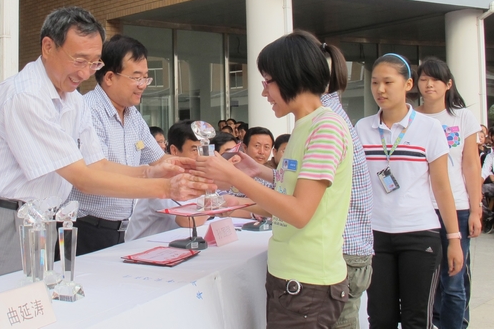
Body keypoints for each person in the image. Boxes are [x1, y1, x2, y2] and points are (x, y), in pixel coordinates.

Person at [0, 7, 214, 287]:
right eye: (79, 60)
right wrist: (165, 189)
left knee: (33, 309)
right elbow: (83, 178)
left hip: (41, 222)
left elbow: (97, 164)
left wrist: (154, 172)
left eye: (93, 63)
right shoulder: (26, 96)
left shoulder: (73, 100)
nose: (86, 72)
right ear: (48, 47)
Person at [196, 30, 353, 328]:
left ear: (292, 76)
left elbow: (299, 212)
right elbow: (289, 194)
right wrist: (255, 179)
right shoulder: (305, 126)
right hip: (292, 279)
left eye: (267, 81)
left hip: (307, 284)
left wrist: (234, 177)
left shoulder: (326, 129)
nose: (264, 92)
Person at [355, 53, 463, 328]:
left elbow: (441, 186)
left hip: (419, 234)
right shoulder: (362, 128)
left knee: (417, 319)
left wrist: (454, 239)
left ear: (408, 84)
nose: (380, 89)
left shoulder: (429, 128)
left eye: (388, 82)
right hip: (375, 236)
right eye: (375, 82)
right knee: (380, 318)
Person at [62, 34, 177, 255]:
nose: (143, 85)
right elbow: (96, 170)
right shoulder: (87, 111)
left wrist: (198, 166)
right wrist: (153, 177)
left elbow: (160, 159)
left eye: (146, 77)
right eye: (136, 78)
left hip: (123, 230)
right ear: (110, 77)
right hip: (86, 227)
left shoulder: (133, 115)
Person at [311, 39, 374, 329]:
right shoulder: (328, 117)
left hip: (343, 253)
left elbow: (304, 200)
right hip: (348, 250)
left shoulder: (327, 122)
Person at [415, 57, 482, 329]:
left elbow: (470, 164)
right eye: (423, 79)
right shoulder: (411, 116)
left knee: (454, 280)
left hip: (456, 207)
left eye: (436, 79)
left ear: (448, 84)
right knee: (426, 281)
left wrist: (476, 211)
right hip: (420, 209)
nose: (429, 84)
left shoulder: (462, 117)